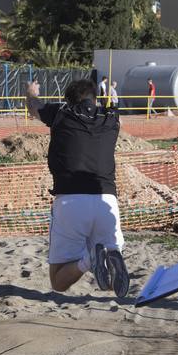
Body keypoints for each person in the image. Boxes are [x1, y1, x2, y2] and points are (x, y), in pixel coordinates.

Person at [25, 78, 129, 299]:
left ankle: (88, 261)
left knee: (58, 281)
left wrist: (31, 92)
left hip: (70, 200)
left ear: (68, 100)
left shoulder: (61, 113)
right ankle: (109, 254)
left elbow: (33, 107)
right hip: (106, 200)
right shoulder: (112, 118)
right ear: (95, 98)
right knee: (110, 273)